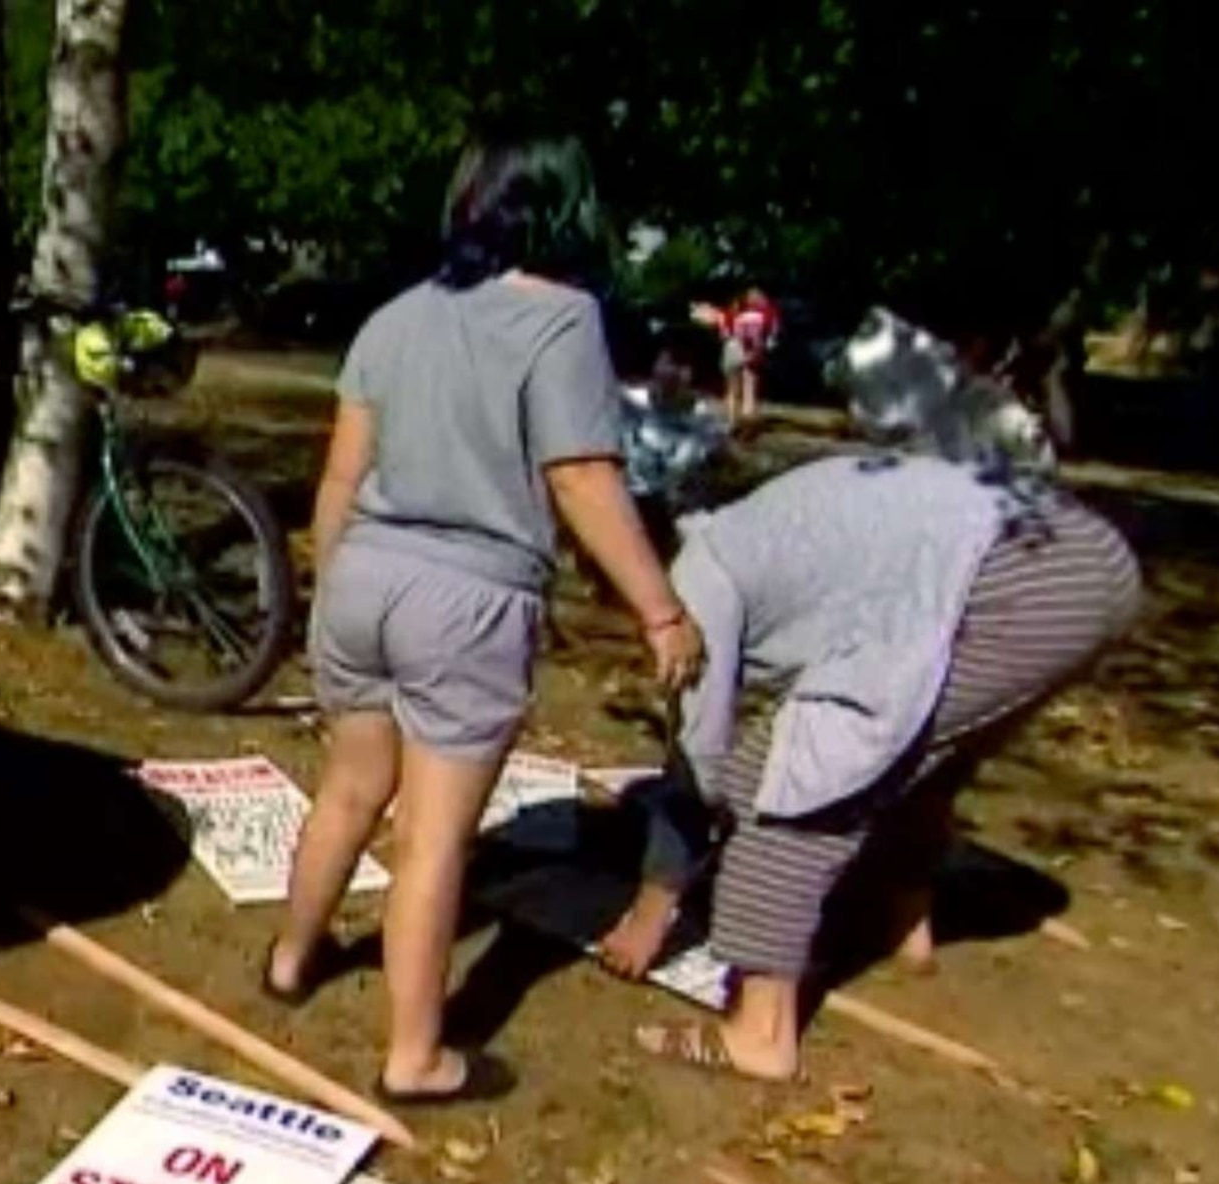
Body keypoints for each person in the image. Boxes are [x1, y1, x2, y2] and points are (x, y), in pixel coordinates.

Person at [269, 137, 704, 1106]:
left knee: (348, 787)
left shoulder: (393, 316)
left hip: (364, 576)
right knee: (432, 837)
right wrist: (660, 608)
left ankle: (293, 957)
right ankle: (417, 1053)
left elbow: (340, 476)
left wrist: (333, 594)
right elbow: (581, 473)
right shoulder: (563, 322)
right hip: (467, 596)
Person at [600, 328, 1137, 1083]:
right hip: (1087, 557)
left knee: (781, 783)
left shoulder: (694, 582)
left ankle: (759, 1035)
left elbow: (703, 762)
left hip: (1008, 573)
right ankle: (904, 925)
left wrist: (655, 904)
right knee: (919, 760)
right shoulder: (748, 529)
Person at [717, 287, 780, 428]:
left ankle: (731, 421)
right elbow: (772, 337)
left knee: (732, 388)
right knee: (749, 385)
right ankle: (747, 419)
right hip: (753, 351)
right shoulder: (766, 314)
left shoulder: (733, 312)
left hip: (732, 348)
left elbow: (724, 334)